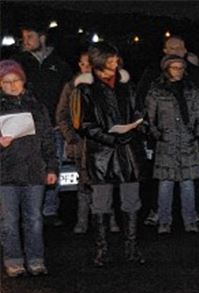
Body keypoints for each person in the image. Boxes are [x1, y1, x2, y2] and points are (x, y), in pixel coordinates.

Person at [76, 42, 147, 267]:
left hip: (128, 152)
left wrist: (135, 127)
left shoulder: (127, 86)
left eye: (116, 59)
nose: (115, 63)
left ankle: (132, 248)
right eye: (111, 60)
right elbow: (84, 124)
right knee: (101, 203)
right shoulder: (85, 89)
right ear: (99, 62)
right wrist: (111, 136)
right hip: (101, 155)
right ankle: (102, 250)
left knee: (131, 201)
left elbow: (138, 111)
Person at [0, 59, 58, 277]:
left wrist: (51, 168)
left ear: (23, 81)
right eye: (6, 82)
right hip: (5, 173)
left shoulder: (36, 106)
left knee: (34, 218)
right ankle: (13, 260)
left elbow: (48, 140)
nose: (12, 85)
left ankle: (35, 259)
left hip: (34, 171)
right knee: (8, 220)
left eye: (15, 80)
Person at [12, 23, 72, 227]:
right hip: (24, 127)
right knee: (23, 167)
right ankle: (24, 210)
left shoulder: (60, 65)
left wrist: (62, 121)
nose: (25, 40)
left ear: (42, 38)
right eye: (23, 36)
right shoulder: (18, 63)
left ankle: (50, 209)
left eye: (30, 35)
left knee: (52, 167)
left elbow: (69, 97)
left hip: (52, 128)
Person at [57, 50, 120, 235]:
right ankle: (83, 220)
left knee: (106, 182)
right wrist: (71, 137)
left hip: (102, 143)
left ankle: (110, 219)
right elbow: (62, 115)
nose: (86, 68)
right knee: (84, 184)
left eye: (90, 64)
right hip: (81, 144)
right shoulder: (71, 87)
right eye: (83, 64)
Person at [145, 54, 199, 235]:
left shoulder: (191, 90)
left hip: (187, 142)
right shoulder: (157, 91)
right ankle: (164, 221)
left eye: (181, 68)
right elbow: (149, 118)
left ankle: (190, 220)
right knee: (166, 184)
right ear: (167, 69)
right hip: (167, 143)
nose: (178, 71)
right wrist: (158, 134)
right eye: (175, 67)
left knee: (188, 183)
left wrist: (196, 133)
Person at [135, 35, 199, 109]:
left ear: (185, 50)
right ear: (165, 51)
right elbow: (142, 96)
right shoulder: (153, 71)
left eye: (179, 48)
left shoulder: (195, 73)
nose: (176, 51)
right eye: (172, 48)